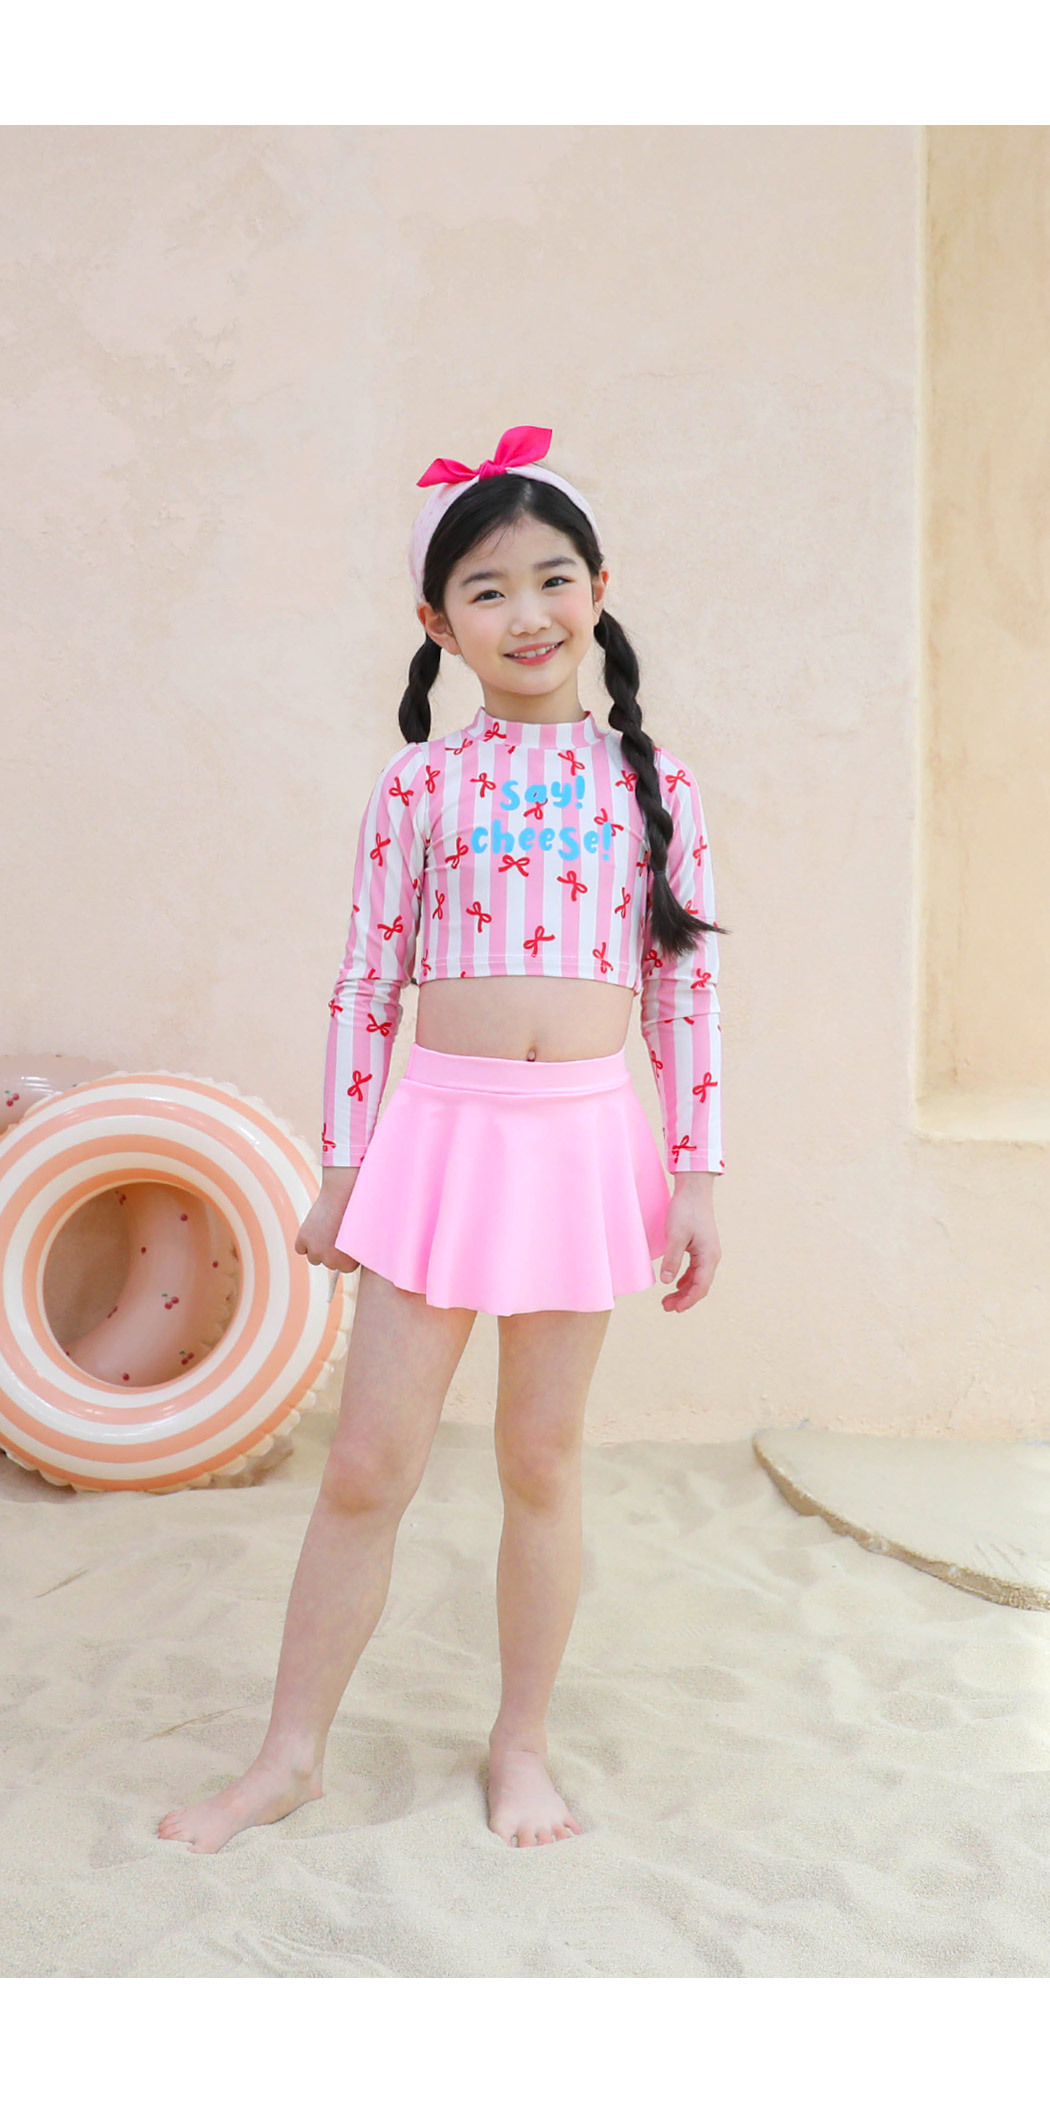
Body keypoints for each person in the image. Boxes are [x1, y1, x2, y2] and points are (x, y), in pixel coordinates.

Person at [158, 423, 728, 1855]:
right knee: (367, 1464)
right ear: (437, 621)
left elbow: (685, 992)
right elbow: (366, 983)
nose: (525, 613)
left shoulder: (656, 786)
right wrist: (343, 1168)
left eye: (551, 579)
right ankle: (288, 1756)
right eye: (487, 589)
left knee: (542, 1460)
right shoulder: (419, 784)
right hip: (436, 1146)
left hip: (583, 1150)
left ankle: (519, 1745)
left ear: (599, 588)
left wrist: (697, 1176)